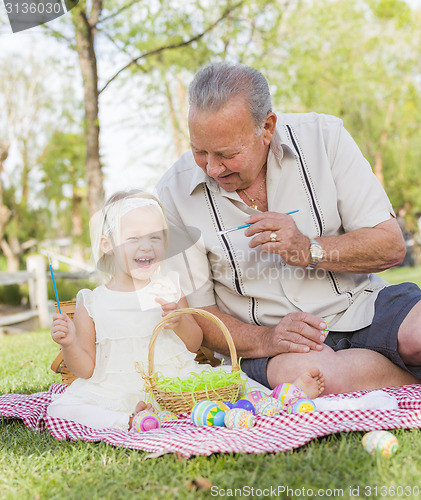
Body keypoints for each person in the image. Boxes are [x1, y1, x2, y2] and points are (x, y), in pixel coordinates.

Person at [156, 62, 421, 396]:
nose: (212, 167)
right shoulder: (172, 192)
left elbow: (390, 245)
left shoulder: (325, 137)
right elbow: (198, 315)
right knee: (317, 379)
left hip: (363, 304)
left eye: (226, 154)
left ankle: (373, 368)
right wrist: (267, 339)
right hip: (269, 341)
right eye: (199, 151)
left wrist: (309, 250)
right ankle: (403, 382)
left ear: (267, 127)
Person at [47, 189, 323, 430]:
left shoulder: (166, 287)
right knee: (59, 409)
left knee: (234, 383)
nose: (146, 246)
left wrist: (178, 322)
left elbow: (193, 345)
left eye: (155, 237)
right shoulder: (93, 302)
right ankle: (128, 421)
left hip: (175, 384)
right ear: (108, 246)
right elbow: (85, 369)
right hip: (116, 388)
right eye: (133, 239)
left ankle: (282, 397)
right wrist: (70, 343)